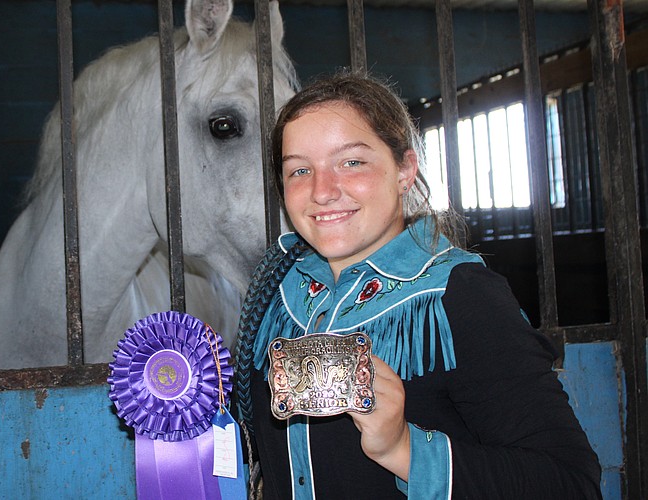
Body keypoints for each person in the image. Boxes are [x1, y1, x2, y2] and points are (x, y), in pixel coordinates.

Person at [235, 71, 602, 499]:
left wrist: (402, 448)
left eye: (351, 162)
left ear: (405, 170)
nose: (322, 191)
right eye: (299, 170)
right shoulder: (276, 291)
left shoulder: (459, 294)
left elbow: (570, 484)